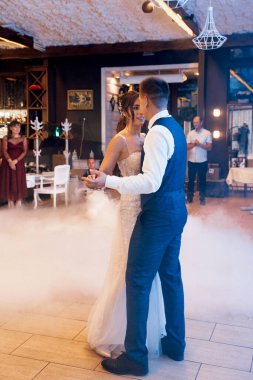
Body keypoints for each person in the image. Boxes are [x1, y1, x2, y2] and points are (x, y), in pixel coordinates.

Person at [84, 77, 188, 376]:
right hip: (175, 210)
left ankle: (136, 357)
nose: (140, 106)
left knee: (138, 281)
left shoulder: (155, 134)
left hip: (156, 215)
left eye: (140, 100)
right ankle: (176, 344)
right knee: (170, 277)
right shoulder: (176, 128)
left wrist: (110, 181)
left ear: (145, 99)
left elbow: (151, 181)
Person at [86, 90, 165, 359]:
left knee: (146, 273)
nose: (142, 112)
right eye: (136, 107)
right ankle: (109, 333)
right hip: (129, 211)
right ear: (125, 110)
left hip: (149, 212)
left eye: (143, 106)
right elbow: (105, 175)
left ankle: (142, 332)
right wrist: (95, 179)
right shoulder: (119, 141)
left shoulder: (148, 138)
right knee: (125, 271)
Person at [0, 120, 28, 208]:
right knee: (9, 180)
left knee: (18, 180)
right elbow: (4, 151)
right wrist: (10, 161)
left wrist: (15, 161)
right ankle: (10, 200)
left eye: (19, 127)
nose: (17, 129)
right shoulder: (5, 138)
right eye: (15, 127)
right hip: (7, 163)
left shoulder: (23, 138)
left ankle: (19, 200)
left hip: (19, 162)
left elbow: (24, 152)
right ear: (10, 128)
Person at [187, 115, 212, 205]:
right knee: (191, 180)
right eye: (194, 123)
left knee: (202, 180)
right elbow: (187, 147)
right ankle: (190, 198)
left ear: (201, 122)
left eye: (197, 122)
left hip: (202, 161)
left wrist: (200, 144)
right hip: (191, 161)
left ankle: (202, 198)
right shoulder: (190, 133)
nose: (195, 124)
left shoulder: (207, 133)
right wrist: (194, 144)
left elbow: (209, 147)